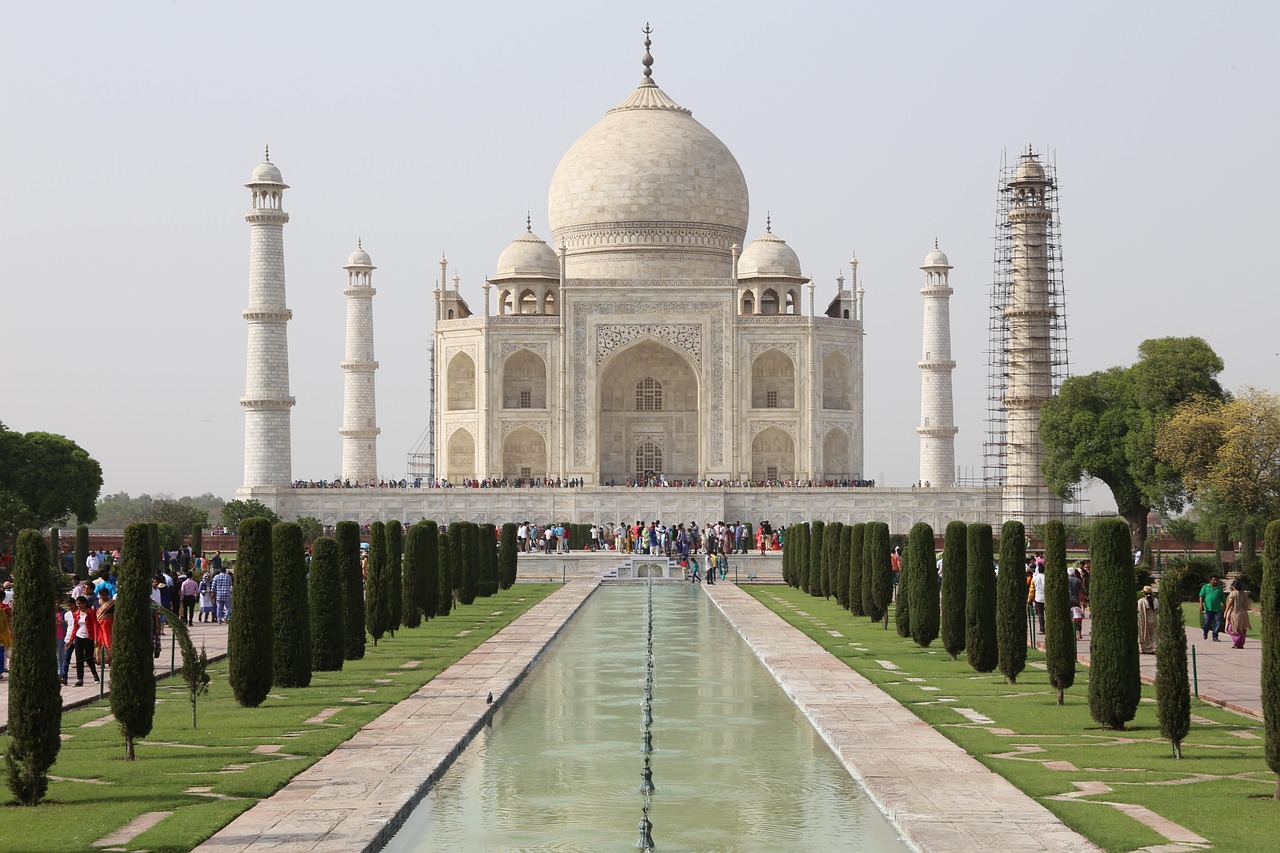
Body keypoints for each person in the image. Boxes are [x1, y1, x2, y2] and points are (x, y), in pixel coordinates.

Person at [67, 595, 100, 686]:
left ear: (85, 603)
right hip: (79, 637)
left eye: (80, 603)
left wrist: (96, 638)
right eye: (77, 604)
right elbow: (75, 627)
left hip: (88, 637)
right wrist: (71, 640)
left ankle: (95, 674)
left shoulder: (90, 612)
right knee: (79, 658)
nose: (78, 606)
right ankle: (80, 679)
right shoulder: (76, 614)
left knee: (88, 657)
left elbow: (95, 625)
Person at [1225, 579, 1252, 649]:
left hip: (1235, 612)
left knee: (1231, 628)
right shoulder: (1243, 594)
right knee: (1242, 629)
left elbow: (1230, 602)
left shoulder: (1233, 593)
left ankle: (1237, 639)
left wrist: (1226, 611)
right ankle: (1241, 644)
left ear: (1234, 586)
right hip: (1244, 613)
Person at [1199, 575, 1226, 641]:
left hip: (1217, 609)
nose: (1215, 581)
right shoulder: (1205, 587)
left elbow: (1223, 599)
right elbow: (1201, 596)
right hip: (1208, 609)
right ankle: (1205, 632)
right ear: (1210, 580)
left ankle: (1215, 636)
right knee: (1206, 623)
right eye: (1214, 580)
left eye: (1216, 580)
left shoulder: (1219, 589)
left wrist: (1226, 607)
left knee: (1217, 623)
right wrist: (1201, 604)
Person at [95, 586, 116, 665]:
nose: (104, 597)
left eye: (105, 595)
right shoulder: (96, 603)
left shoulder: (112, 603)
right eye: (102, 595)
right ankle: (101, 660)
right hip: (99, 625)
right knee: (100, 642)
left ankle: (111, 659)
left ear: (108, 595)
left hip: (109, 625)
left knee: (108, 641)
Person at [1137, 585, 1158, 654]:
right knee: (1154, 634)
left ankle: (1147, 648)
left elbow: (1139, 610)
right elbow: (1157, 609)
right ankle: (1155, 647)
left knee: (1146, 634)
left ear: (1144, 593)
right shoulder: (1155, 600)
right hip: (1154, 619)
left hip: (1145, 620)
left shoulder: (1141, 601)